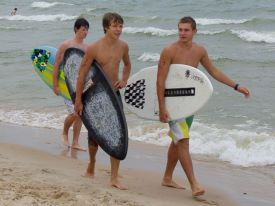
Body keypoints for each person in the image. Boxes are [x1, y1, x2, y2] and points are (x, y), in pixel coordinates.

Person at [157, 16, 250, 196]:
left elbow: (213, 71)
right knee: (183, 141)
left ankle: (167, 178)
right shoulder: (169, 50)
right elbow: (160, 80)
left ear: (194, 31)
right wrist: (162, 107)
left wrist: (236, 86)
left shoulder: (199, 51)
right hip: (173, 102)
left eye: (186, 30)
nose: (182, 33)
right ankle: (194, 185)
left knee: (177, 140)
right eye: (180, 29)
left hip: (190, 103)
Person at [74, 12, 131, 190]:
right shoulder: (94, 48)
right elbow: (82, 73)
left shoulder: (123, 46)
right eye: (115, 26)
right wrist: (78, 100)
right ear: (106, 27)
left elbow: (128, 65)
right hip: (96, 97)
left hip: (114, 95)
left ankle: (114, 177)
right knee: (95, 136)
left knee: (117, 133)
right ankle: (91, 164)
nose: (118, 29)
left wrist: (124, 80)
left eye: (120, 26)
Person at [53, 17, 90, 151]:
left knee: (80, 113)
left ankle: (75, 142)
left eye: (87, 30)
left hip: (81, 85)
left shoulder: (87, 48)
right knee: (74, 113)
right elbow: (57, 64)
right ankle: (64, 131)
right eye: (83, 29)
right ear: (76, 29)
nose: (85, 32)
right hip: (67, 84)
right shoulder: (65, 45)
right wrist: (55, 85)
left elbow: (89, 68)